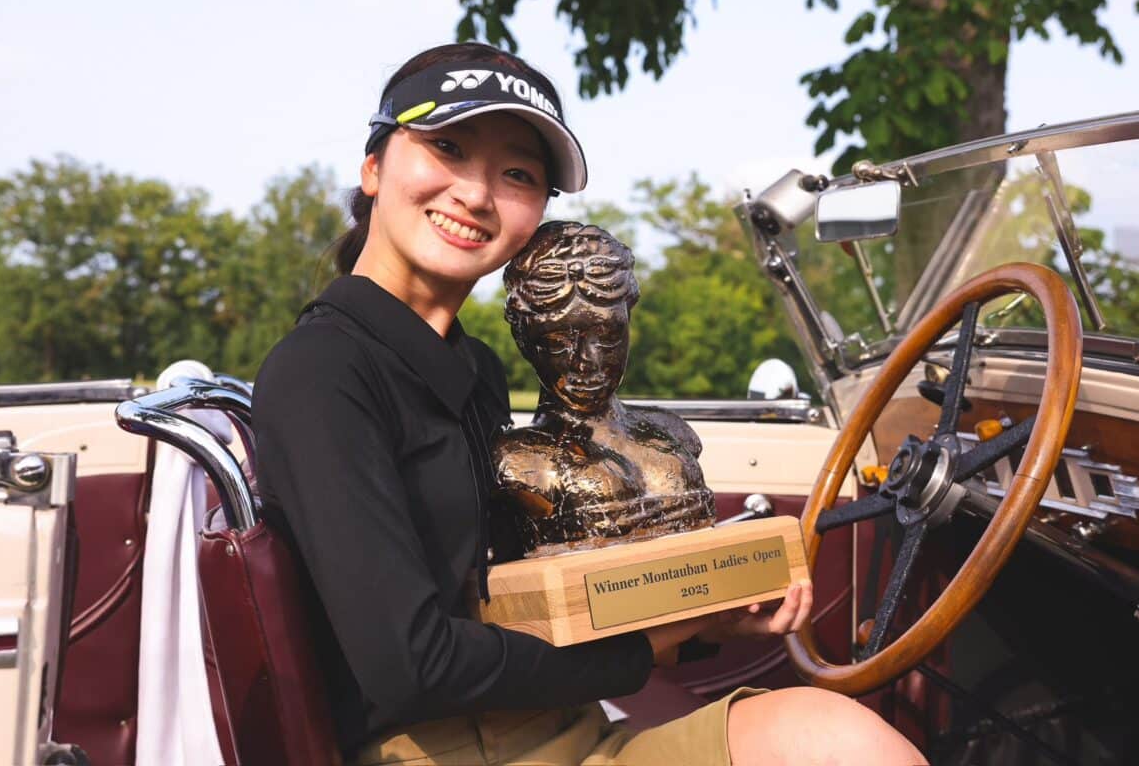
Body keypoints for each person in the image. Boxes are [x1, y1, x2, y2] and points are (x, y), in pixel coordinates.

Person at [252, 42, 927, 766]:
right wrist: (641, 655)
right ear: (375, 166)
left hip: (560, 730)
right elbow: (409, 662)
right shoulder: (323, 372)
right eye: (447, 147)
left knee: (837, 736)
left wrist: (709, 623)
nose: (477, 194)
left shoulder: (468, 367)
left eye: (517, 173)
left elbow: (500, 595)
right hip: (451, 752)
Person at [495, 221, 716, 556]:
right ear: (525, 342)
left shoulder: (673, 432)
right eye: (558, 342)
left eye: (609, 336)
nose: (588, 361)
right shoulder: (517, 461)